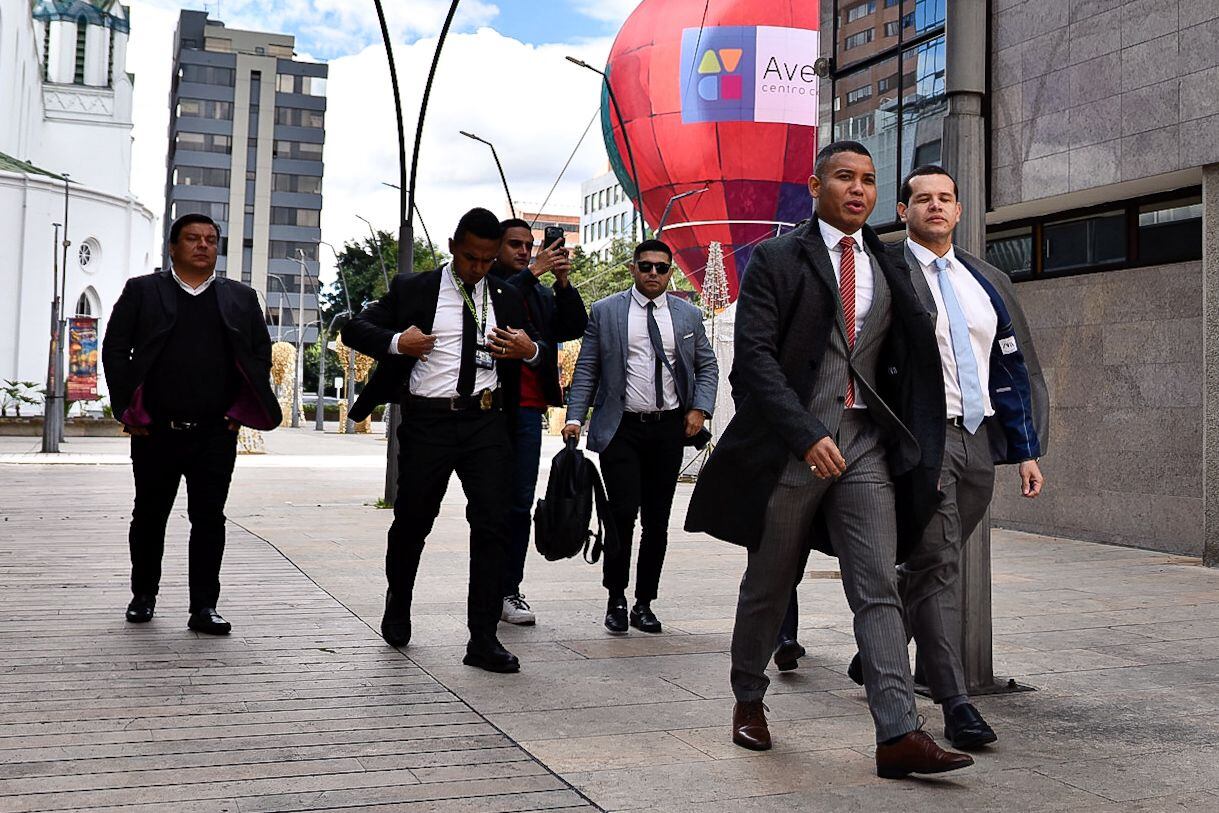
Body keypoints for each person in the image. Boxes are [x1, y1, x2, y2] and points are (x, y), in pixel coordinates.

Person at [686, 141, 974, 778]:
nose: (859, 190)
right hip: (797, 447)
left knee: (877, 588)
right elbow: (754, 359)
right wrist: (801, 431)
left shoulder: (891, 261)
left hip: (866, 443)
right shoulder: (778, 257)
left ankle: (898, 733)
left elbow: (913, 357)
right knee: (770, 578)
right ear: (815, 185)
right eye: (845, 177)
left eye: (869, 181)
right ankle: (748, 698)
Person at [845, 164, 1047, 748]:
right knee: (939, 567)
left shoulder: (981, 280)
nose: (935, 206)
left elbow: (1007, 366)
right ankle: (953, 701)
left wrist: (1026, 450)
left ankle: (875, 647)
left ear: (959, 211)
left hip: (979, 441)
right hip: (922, 441)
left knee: (936, 563)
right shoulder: (886, 271)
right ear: (903, 212)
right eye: (922, 199)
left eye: (945, 198)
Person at [341, 207, 543, 673]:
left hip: (485, 424)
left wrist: (528, 350)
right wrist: (398, 343)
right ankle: (398, 602)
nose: (478, 268)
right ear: (453, 246)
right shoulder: (414, 289)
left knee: (493, 525)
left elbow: (541, 346)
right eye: (471, 257)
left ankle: (482, 638)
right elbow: (354, 328)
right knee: (413, 520)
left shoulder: (506, 295)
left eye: (488, 260)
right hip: (429, 423)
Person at [102, 213, 281, 635]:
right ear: (172, 247)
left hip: (215, 434)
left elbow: (259, 354)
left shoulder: (240, 297)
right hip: (155, 431)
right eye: (192, 239)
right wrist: (127, 408)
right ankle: (143, 596)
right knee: (149, 516)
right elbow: (115, 349)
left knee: (210, 519)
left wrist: (238, 412)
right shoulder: (143, 291)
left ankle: (204, 607)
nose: (203, 245)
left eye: (210, 239)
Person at [562, 239, 718, 635]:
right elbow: (587, 369)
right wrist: (575, 418)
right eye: (645, 266)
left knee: (657, 522)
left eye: (661, 268)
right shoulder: (606, 311)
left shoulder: (687, 314)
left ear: (671, 272)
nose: (653, 273)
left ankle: (644, 603)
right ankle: (615, 597)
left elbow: (707, 364)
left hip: (667, 429)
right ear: (632, 268)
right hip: (622, 428)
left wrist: (700, 408)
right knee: (621, 517)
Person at [490, 219, 588, 626]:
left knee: (518, 505)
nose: (524, 251)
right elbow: (501, 304)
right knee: (489, 504)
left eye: (528, 246)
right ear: (496, 248)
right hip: (492, 409)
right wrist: (534, 273)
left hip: (530, 412)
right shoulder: (489, 285)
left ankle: (508, 589)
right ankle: (488, 587)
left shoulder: (541, 292)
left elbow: (574, 326)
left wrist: (562, 282)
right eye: (515, 244)